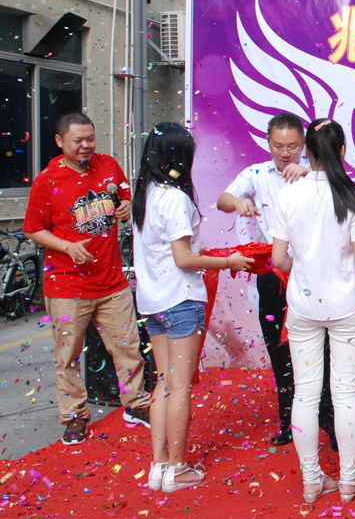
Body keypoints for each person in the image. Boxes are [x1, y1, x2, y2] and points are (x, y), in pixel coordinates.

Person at [271, 118, 355, 507]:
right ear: (342, 151)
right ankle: (348, 481)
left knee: (305, 393)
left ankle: (311, 481)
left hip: (303, 306)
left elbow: (279, 260)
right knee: (345, 391)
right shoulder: (352, 196)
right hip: (346, 305)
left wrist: (303, 267)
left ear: (307, 151)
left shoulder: (289, 194)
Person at [132, 123, 252, 491]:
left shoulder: (145, 194)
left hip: (152, 302)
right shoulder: (174, 199)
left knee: (163, 383)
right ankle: (177, 468)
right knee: (179, 387)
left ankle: (159, 466)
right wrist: (229, 261)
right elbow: (184, 259)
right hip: (181, 300)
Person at [23, 112, 152, 446]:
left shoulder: (108, 164)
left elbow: (124, 193)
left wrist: (125, 205)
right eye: (77, 140)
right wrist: (67, 246)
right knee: (68, 356)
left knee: (128, 348)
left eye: (90, 139)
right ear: (59, 141)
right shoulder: (47, 180)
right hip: (67, 286)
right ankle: (74, 417)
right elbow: (33, 229)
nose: (85, 146)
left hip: (112, 282)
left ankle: (136, 404)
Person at [216, 113, 339, 449]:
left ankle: (329, 419)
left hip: (314, 272)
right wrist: (238, 202)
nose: (285, 153)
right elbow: (223, 201)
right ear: (268, 143)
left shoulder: (319, 171)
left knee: (323, 347)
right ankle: (289, 420)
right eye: (278, 146)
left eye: (293, 146)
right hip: (273, 273)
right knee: (279, 348)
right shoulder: (256, 174)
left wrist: (312, 173)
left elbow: (343, 197)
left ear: (305, 144)